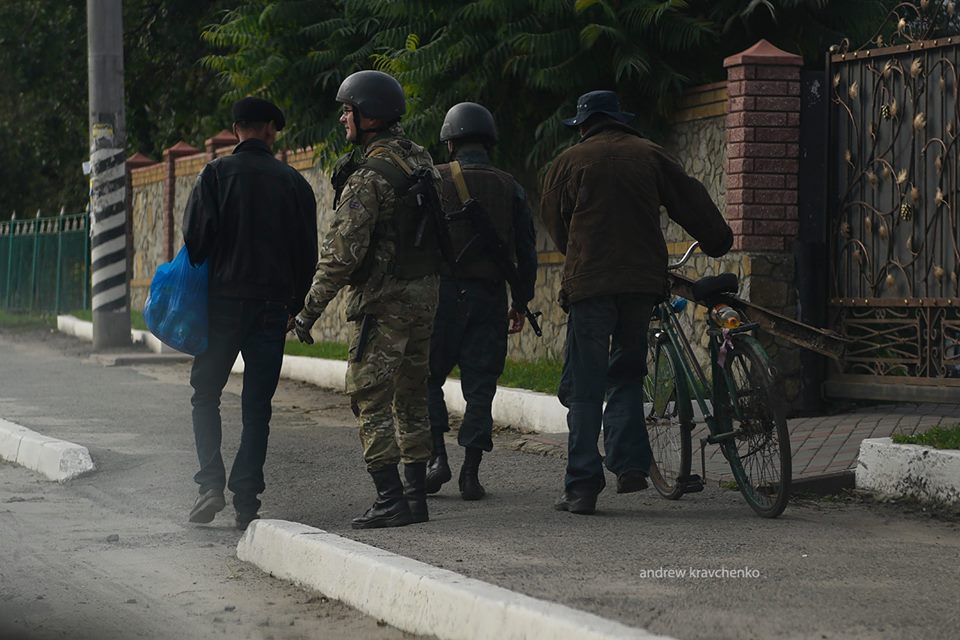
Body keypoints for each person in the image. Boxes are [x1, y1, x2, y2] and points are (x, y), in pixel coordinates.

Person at [539, 90, 733, 515]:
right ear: (619, 119)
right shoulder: (649, 154)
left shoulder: (567, 163)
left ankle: (582, 487)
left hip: (590, 288)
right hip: (641, 285)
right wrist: (718, 240)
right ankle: (629, 466)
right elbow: (690, 199)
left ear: (583, 125)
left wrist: (581, 259)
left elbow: (557, 225)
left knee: (585, 386)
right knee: (626, 372)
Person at [293, 70, 441, 529]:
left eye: (348, 110)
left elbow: (341, 256)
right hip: (424, 297)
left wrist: (307, 312)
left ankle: (390, 499)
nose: (343, 118)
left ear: (369, 116)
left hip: (384, 302)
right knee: (412, 395)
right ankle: (415, 498)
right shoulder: (421, 160)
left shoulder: (368, 177)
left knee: (370, 398)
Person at [182, 97, 318, 530]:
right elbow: (308, 256)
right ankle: (246, 501)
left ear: (236, 129)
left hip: (222, 305)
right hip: (272, 309)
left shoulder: (215, 175)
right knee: (257, 406)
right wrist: (294, 305)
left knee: (205, 393)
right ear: (271, 131)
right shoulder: (294, 184)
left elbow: (196, 243)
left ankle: (210, 485)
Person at [424, 102, 537, 500]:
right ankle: (470, 475)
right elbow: (526, 251)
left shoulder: (433, 180)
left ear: (450, 143)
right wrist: (521, 301)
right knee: (481, 387)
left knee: (426, 378)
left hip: (440, 297)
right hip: (489, 299)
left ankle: (436, 458)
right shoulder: (510, 185)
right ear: (489, 141)